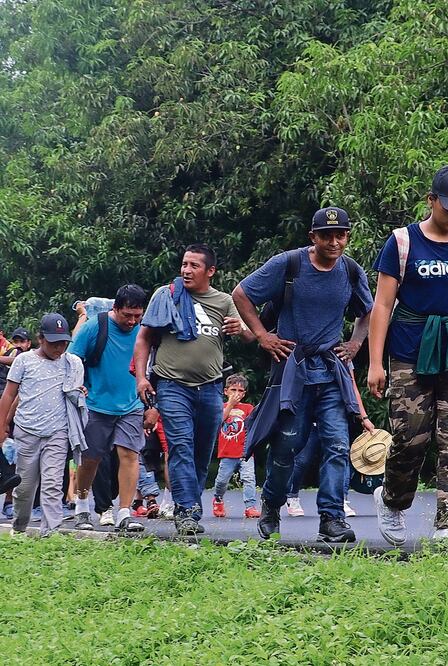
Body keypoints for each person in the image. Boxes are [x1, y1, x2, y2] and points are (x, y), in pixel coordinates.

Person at [368, 165, 448, 547]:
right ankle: (392, 500)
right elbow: (381, 306)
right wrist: (376, 363)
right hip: (410, 350)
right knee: (410, 438)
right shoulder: (402, 242)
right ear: (431, 201)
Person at [234, 206, 374, 543]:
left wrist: (355, 344)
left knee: (337, 445)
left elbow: (368, 312)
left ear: (347, 237)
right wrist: (264, 336)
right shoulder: (290, 263)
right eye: (326, 235)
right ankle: (271, 505)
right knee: (287, 446)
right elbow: (241, 294)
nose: (334, 241)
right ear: (313, 237)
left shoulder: (351, 271)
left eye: (340, 235)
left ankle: (332, 518)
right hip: (293, 371)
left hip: (330, 372)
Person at [133, 243, 255, 536]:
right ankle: (185, 510)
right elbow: (143, 339)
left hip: (212, 388)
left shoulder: (224, 301)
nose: (186, 270)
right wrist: (141, 378)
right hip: (173, 386)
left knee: (202, 453)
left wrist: (240, 329)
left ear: (210, 271)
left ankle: (191, 508)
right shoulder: (166, 296)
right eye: (184, 264)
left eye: (194, 266)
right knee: (181, 448)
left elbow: (252, 335)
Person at [69, 285, 150, 533]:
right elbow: (72, 359)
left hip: (132, 404)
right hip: (96, 404)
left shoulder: (145, 330)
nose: (132, 321)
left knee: (130, 455)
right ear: (115, 308)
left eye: (137, 315)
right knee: (90, 459)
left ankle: (125, 512)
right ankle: (82, 507)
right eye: (127, 315)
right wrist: (78, 389)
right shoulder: (96, 325)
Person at [0, 314, 85, 536]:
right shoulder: (24, 361)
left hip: (58, 431)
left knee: (52, 485)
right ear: (41, 339)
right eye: (54, 342)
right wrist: (2, 425)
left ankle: (51, 533)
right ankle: (19, 527)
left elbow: (73, 392)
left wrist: (80, 393)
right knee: (25, 488)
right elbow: (9, 396)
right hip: (27, 431)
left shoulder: (72, 363)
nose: (59, 348)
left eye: (63, 343)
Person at [211, 374, 259, 518]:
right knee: (222, 480)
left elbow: (254, 426)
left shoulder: (248, 408)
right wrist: (230, 405)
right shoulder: (221, 406)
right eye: (233, 390)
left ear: (244, 393)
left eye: (240, 391)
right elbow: (218, 422)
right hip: (227, 452)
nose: (236, 394)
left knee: (249, 478)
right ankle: (218, 499)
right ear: (226, 391)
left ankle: (250, 506)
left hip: (245, 452)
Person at [0, 327, 30, 497]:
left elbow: (17, 359)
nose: (20, 344)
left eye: (22, 341)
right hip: (6, 406)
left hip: (10, 408)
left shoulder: (13, 350)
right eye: (17, 340)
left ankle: (10, 501)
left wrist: (4, 421)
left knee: (12, 454)